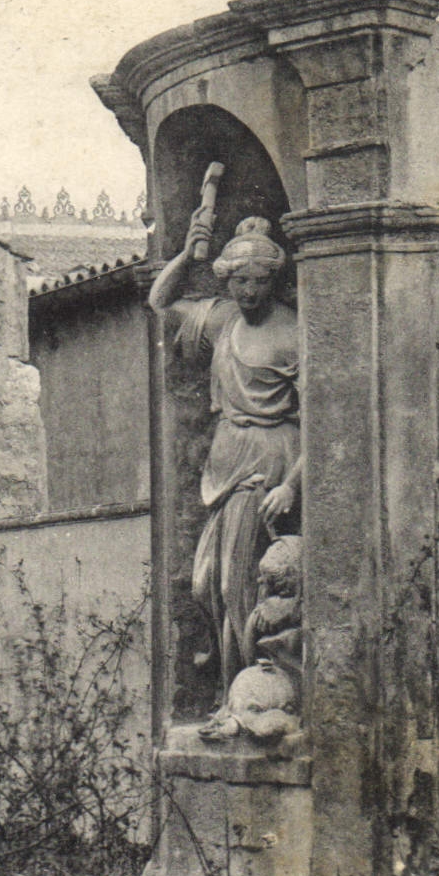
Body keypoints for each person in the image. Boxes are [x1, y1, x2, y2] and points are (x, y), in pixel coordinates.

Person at [148, 207, 303, 699]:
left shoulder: (293, 330)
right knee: (205, 583)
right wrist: (186, 248)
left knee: (237, 585)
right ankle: (235, 682)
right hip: (226, 456)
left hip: (270, 456)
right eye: (239, 281)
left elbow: (319, 418)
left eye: (257, 281)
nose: (248, 291)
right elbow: (159, 302)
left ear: (272, 279)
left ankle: (245, 692)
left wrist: (290, 485)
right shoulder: (222, 320)